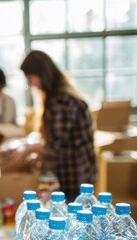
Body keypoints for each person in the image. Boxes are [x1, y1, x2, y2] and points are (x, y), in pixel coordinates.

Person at [15, 50, 96, 199]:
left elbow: (54, 148)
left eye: (30, 77)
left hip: (75, 177)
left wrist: (29, 150)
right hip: (76, 174)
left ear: (41, 74)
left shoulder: (61, 102)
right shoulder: (58, 97)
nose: (29, 83)